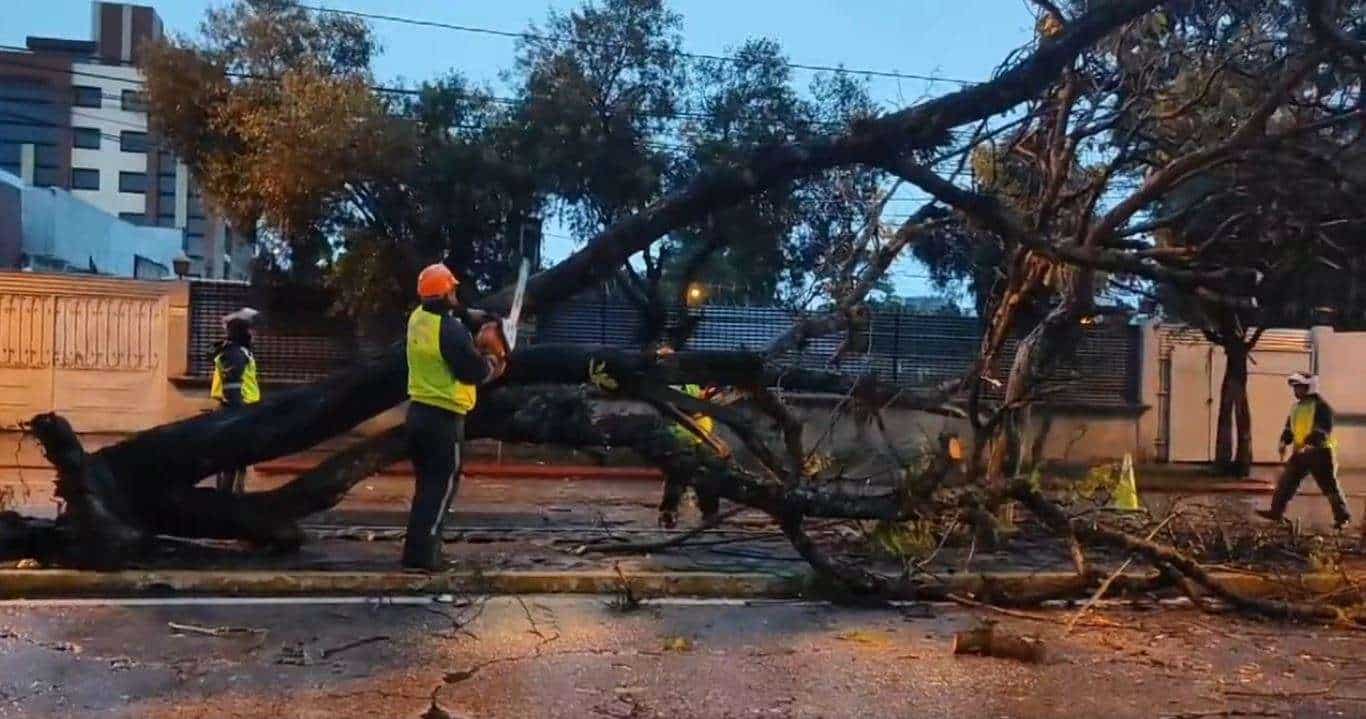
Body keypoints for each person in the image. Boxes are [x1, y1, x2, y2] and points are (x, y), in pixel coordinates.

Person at [403, 263, 506, 571]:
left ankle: (416, 553)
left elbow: (453, 318)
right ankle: (425, 559)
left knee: (426, 486)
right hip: (444, 419)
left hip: (418, 413)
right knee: (442, 487)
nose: (455, 295)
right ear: (446, 292)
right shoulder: (450, 331)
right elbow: (472, 371)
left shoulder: (417, 319)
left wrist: (478, 317)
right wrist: (494, 360)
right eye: (453, 290)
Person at [1255, 372, 1352, 529]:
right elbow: (1289, 428)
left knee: (1329, 486)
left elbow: (1323, 429)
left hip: (1320, 453)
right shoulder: (1296, 408)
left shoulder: (1321, 407)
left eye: (1299, 387)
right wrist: (1283, 441)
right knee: (1286, 483)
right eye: (1295, 387)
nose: (1296, 391)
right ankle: (1276, 512)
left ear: (1310, 387)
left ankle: (1343, 517)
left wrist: (1309, 442)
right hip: (1300, 452)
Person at [210, 307, 261, 494]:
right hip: (238, 408)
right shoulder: (235, 353)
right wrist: (238, 412)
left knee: (238, 457)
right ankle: (227, 497)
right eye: (249, 330)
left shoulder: (236, 351)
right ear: (243, 332)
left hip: (242, 408)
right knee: (232, 457)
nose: (253, 334)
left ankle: (234, 493)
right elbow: (232, 386)